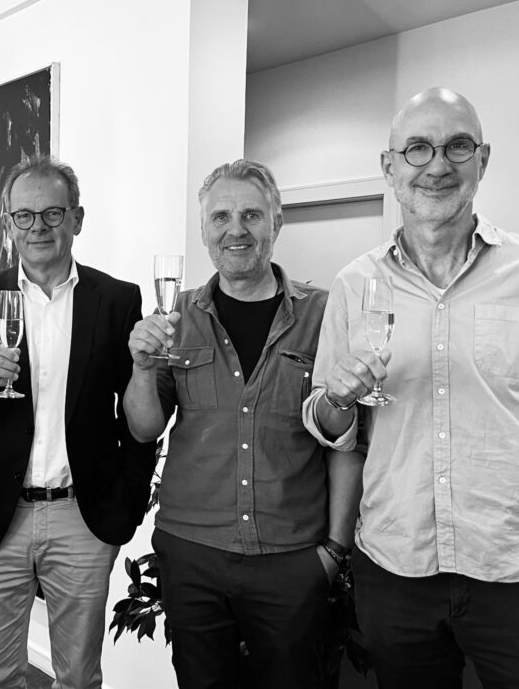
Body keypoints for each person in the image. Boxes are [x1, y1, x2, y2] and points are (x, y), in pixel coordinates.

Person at [303, 86, 519, 688]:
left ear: (482, 160)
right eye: (417, 148)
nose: (437, 165)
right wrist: (338, 398)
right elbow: (326, 423)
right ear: (389, 167)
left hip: (518, 565)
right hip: (397, 565)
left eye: (457, 146)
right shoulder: (354, 283)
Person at [123, 159, 363, 688]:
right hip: (191, 554)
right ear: (204, 229)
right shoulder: (175, 317)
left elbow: (346, 441)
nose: (236, 229)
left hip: (291, 558)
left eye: (251, 215)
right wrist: (140, 368)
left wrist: (334, 551)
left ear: (277, 222)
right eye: (221, 217)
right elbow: (143, 429)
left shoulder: (324, 314)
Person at [0, 155, 156, 689]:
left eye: (53, 213)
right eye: (24, 216)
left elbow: (137, 416)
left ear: (77, 218)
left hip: (82, 516)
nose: (38, 227)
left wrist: (129, 497)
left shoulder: (117, 299)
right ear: (9, 223)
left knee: (78, 679)